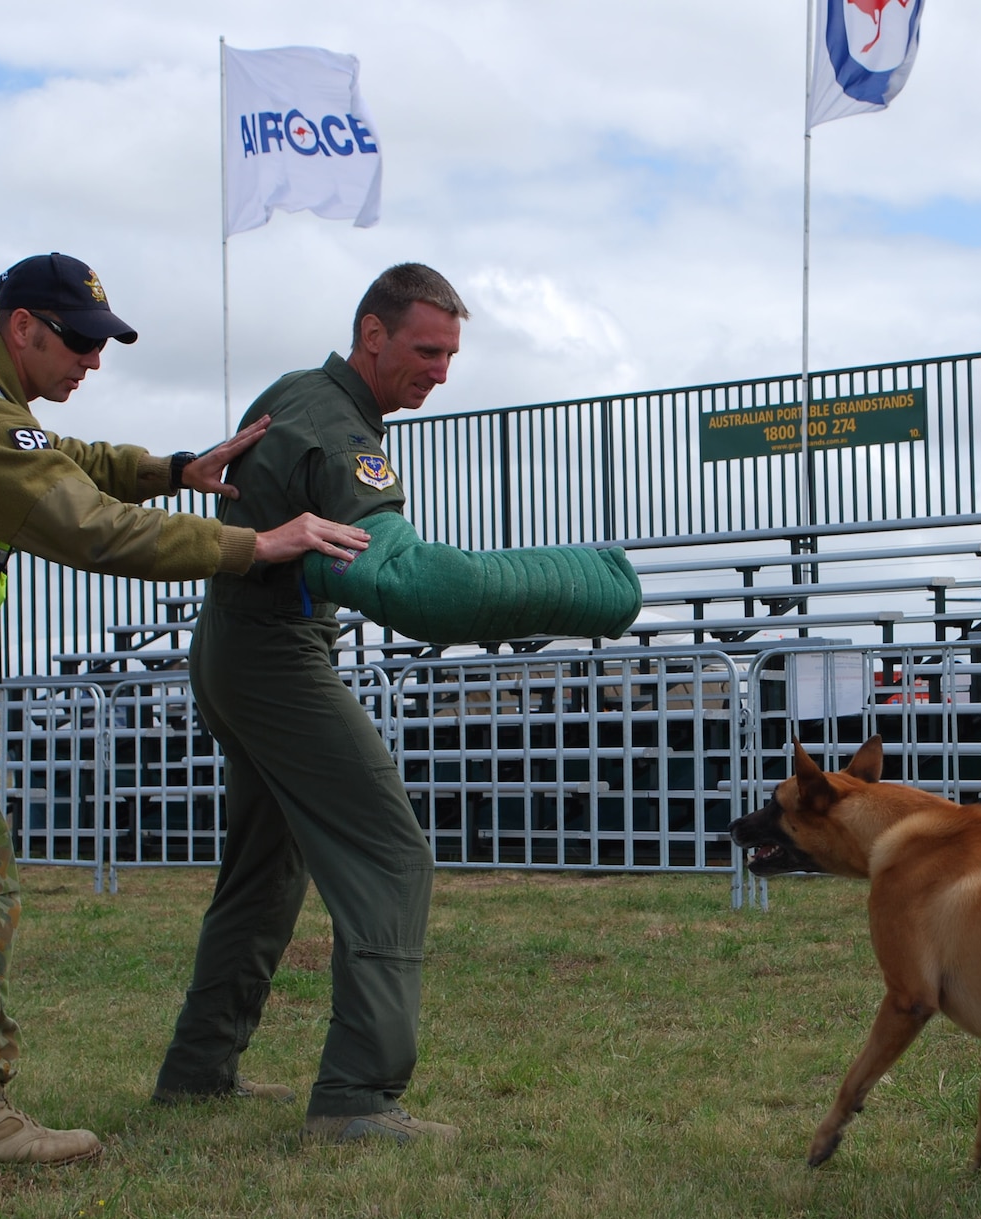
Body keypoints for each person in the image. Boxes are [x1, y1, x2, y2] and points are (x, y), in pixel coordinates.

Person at [0, 253, 367, 1165]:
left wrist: (175, 468)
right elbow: (87, 526)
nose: (93, 363)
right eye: (80, 344)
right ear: (22, 328)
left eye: (102, 345)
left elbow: (71, 463)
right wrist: (256, 543)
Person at [152, 263, 639, 1144]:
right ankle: (357, 1095)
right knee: (390, 854)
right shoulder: (340, 432)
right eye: (426, 350)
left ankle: (197, 1072)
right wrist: (587, 584)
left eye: (452, 354)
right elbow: (418, 588)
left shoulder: (295, 393)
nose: (442, 372)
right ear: (372, 335)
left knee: (266, 868)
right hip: (273, 660)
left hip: (228, 649)